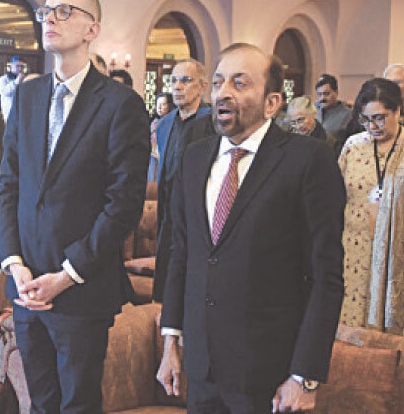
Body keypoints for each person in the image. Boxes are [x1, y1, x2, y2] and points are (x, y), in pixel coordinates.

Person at [158, 43, 346, 413]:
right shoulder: (195, 158)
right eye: (218, 83)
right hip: (202, 368)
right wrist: (171, 341)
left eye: (239, 83)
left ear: (272, 103)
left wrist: (304, 377)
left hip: (269, 373)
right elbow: (182, 254)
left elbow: (326, 276)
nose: (223, 93)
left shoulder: (308, 161)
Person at [0, 0, 149, 413]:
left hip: (80, 286)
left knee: (77, 405)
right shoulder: (27, 96)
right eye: (46, 10)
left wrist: (65, 275)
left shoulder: (119, 104)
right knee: (39, 403)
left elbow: (123, 204)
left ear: (91, 29)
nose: (50, 18)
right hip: (26, 284)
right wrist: (14, 263)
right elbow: (8, 184)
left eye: (64, 11)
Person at [338, 78, 403, 331]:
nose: (372, 126)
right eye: (365, 119)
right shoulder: (353, 146)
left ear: (397, 110)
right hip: (353, 251)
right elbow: (335, 195)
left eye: (379, 118)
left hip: (395, 256)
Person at [152, 58, 211, 302]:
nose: (177, 86)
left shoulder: (213, 122)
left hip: (199, 210)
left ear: (202, 86)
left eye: (185, 80)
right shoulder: (165, 123)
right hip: (168, 208)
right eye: (174, 80)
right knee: (166, 272)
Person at [316, 74, 353, 149]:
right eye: (319, 94)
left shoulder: (348, 115)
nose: (322, 98)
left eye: (326, 94)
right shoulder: (312, 110)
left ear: (336, 93)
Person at [147, 92, 175, 182]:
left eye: (163, 104)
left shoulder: (173, 122)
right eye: (157, 104)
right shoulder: (153, 121)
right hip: (152, 156)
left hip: (164, 157)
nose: (159, 107)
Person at [0, 56, 27, 122]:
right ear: (11, 66)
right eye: (17, 66)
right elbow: (4, 92)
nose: (20, 69)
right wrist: (16, 82)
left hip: (22, 113)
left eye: (22, 66)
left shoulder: (26, 79)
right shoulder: (3, 79)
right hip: (9, 113)